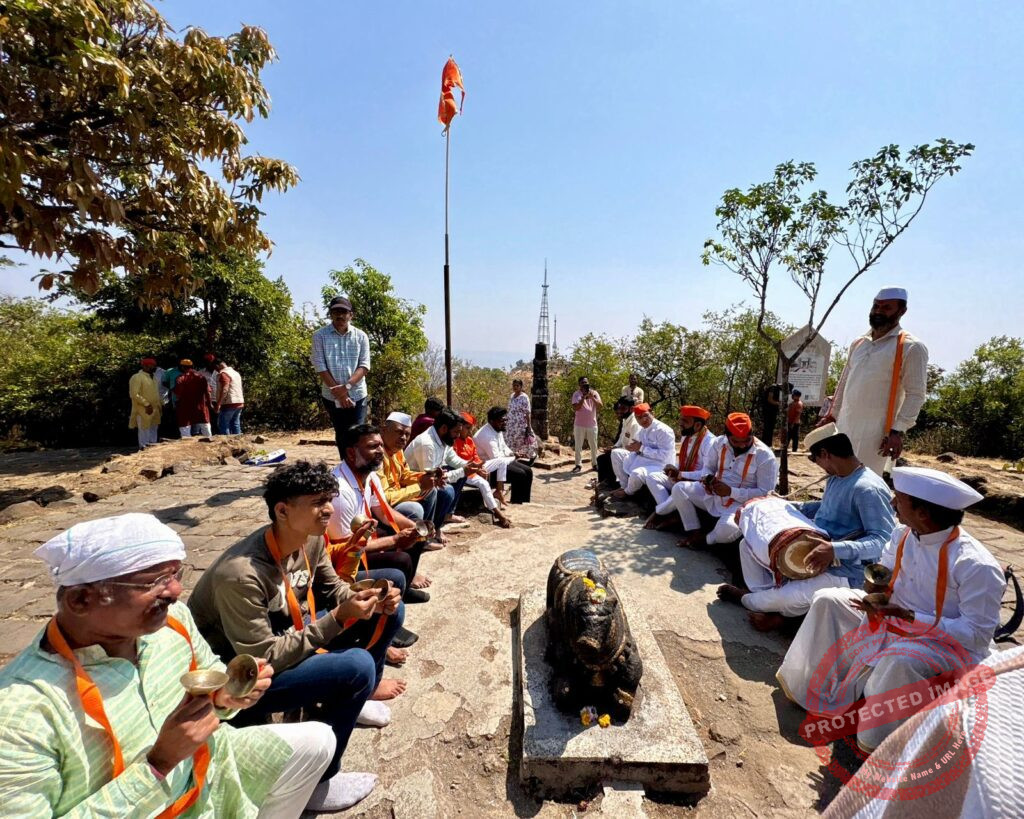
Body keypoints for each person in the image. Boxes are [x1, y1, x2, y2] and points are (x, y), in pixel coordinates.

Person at [0, 512, 343, 816]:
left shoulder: (174, 622)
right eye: (154, 582)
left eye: (175, 574)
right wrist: (158, 764)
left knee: (319, 740)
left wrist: (226, 698)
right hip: (153, 803)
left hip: (208, 772)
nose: (177, 590)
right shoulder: (19, 714)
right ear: (80, 599)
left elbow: (214, 695)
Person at [188, 463, 396, 811]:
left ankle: (349, 702)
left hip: (291, 638)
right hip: (240, 683)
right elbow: (260, 659)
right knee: (357, 666)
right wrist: (337, 619)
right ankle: (318, 780)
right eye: (317, 502)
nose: (329, 509)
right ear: (282, 511)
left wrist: (373, 599)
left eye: (329, 499)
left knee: (392, 608)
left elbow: (333, 590)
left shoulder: (311, 539)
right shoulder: (240, 575)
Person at [777, 466, 1006, 753]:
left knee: (901, 660)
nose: (892, 504)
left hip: (943, 644)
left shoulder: (976, 565)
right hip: (893, 617)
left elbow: (975, 636)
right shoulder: (903, 533)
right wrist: (876, 594)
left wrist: (907, 616)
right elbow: (884, 576)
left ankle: (877, 744)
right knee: (828, 600)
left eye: (899, 499)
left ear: (923, 513)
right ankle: (813, 692)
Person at [717, 424, 895, 629]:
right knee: (746, 545)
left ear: (825, 454)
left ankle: (751, 600)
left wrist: (835, 549)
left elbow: (883, 541)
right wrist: (783, 506)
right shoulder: (838, 477)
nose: (817, 464)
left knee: (785, 598)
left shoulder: (868, 489)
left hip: (844, 571)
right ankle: (768, 602)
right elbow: (825, 508)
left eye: (814, 459)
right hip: (813, 555)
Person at [823, 644, 1024, 818]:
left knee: (899, 662)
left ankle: (875, 751)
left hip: (955, 647)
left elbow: (975, 634)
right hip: (911, 633)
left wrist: (912, 618)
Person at [820, 287, 928, 475]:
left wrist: (897, 431)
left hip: (876, 435)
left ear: (901, 311)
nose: (878, 311)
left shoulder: (911, 347)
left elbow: (916, 394)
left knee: (863, 484)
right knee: (834, 479)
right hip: (844, 427)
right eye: (876, 306)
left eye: (886, 307)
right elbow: (844, 382)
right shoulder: (858, 343)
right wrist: (831, 414)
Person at [329, 424, 434, 606]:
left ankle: (404, 588)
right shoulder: (340, 492)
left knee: (416, 532)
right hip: (344, 557)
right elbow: (346, 549)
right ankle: (390, 609)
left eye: (380, 445)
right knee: (402, 560)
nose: (380, 451)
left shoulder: (370, 476)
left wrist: (416, 528)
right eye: (372, 447)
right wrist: (394, 541)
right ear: (351, 453)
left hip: (363, 537)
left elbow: (385, 513)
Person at [673, 412, 779, 548]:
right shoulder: (718, 443)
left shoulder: (765, 456)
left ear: (752, 434)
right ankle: (694, 531)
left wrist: (731, 491)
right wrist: (708, 479)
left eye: (746, 440)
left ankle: (705, 539)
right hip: (714, 495)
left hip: (741, 505)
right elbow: (708, 468)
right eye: (736, 441)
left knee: (728, 529)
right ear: (727, 436)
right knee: (679, 488)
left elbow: (766, 494)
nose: (742, 446)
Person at [379, 411, 452, 550]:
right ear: (383, 430)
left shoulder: (397, 450)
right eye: (399, 432)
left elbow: (405, 474)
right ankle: (410, 545)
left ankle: (424, 538)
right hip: (382, 507)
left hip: (396, 495)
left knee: (433, 489)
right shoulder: (378, 455)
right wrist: (419, 486)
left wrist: (426, 477)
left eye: (407, 434)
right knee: (414, 508)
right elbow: (384, 499)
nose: (404, 438)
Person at [311, 295, 372, 458]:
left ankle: (360, 466)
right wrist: (339, 393)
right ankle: (346, 465)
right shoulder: (319, 336)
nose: (340, 315)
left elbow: (364, 365)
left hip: (357, 393)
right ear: (330, 314)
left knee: (358, 432)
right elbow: (320, 366)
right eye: (336, 311)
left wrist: (346, 388)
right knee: (342, 432)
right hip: (331, 395)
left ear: (350, 315)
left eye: (343, 312)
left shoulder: (361, 336)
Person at [644, 405, 714, 529]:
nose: (680, 423)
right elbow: (683, 461)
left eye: (685, 421)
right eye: (681, 419)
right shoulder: (686, 436)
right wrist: (673, 469)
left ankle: (659, 513)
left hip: (697, 484)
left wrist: (682, 475)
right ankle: (671, 513)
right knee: (652, 477)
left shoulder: (710, 442)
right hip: (682, 478)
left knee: (679, 488)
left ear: (697, 425)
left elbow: (706, 474)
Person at [405, 407, 477, 528]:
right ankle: (430, 529)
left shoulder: (443, 437)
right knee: (447, 491)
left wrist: (468, 465)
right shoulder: (427, 444)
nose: (458, 436)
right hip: (414, 484)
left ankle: (441, 521)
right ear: (444, 428)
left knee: (461, 476)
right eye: (456, 432)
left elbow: (452, 459)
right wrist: (462, 471)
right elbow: (430, 479)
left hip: (431, 478)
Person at [453, 412, 512, 528]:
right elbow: (457, 464)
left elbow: (476, 458)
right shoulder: (454, 442)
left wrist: (480, 467)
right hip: (464, 473)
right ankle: (498, 514)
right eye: (467, 428)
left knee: (502, 461)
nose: (469, 431)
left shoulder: (469, 440)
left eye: (470, 428)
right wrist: (477, 470)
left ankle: (499, 491)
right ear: (459, 427)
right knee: (483, 483)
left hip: (475, 468)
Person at [610, 403, 676, 499]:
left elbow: (665, 456)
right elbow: (639, 447)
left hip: (659, 464)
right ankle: (623, 486)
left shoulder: (663, 431)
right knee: (616, 453)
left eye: (645, 415)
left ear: (652, 413)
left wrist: (641, 448)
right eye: (639, 418)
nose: (643, 420)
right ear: (636, 419)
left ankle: (628, 492)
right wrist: (635, 449)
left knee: (637, 473)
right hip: (643, 459)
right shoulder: (642, 430)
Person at [475, 406, 534, 504]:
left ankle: (523, 501)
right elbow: (497, 459)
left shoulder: (496, 429)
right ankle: (516, 502)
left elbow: (504, 447)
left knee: (528, 471)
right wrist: (514, 457)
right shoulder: (486, 436)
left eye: (505, 420)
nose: (505, 423)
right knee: (520, 474)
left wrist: (513, 453)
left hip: (500, 464)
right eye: (502, 421)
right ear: (492, 421)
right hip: (489, 471)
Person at [596, 397, 639, 487]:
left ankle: (616, 485)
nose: (620, 411)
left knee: (610, 457)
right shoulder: (625, 420)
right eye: (619, 408)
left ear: (631, 409)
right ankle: (606, 482)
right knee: (601, 459)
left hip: (633, 454)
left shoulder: (635, 423)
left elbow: (632, 447)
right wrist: (614, 447)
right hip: (623, 450)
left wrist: (615, 450)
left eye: (623, 408)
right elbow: (621, 438)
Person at [128, 356, 162, 449]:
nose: (154, 368)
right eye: (152, 366)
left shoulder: (153, 378)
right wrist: (146, 404)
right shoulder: (137, 377)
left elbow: (156, 393)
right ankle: (143, 449)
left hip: (155, 408)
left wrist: (160, 404)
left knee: (154, 428)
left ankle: (153, 449)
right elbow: (134, 394)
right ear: (145, 366)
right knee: (144, 429)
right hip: (143, 409)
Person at [571, 376, 603, 473]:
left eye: (586, 383)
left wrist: (592, 397)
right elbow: (576, 408)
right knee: (578, 446)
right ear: (579, 384)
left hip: (592, 424)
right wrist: (583, 398)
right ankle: (578, 464)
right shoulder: (576, 394)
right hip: (579, 424)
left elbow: (600, 406)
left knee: (593, 445)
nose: (584, 384)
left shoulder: (594, 393)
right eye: (582, 383)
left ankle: (594, 464)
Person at [173, 359, 212, 438]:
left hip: (185, 406)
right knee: (204, 423)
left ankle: (186, 445)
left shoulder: (180, 378)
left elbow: (178, 394)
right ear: (192, 366)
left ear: (182, 367)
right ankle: (209, 440)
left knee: (185, 425)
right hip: (200, 406)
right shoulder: (201, 377)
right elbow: (208, 392)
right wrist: (210, 403)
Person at [215, 358, 245, 436]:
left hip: (229, 403)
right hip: (239, 402)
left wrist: (219, 404)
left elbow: (225, 389)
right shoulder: (235, 373)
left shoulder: (224, 373)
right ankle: (239, 444)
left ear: (218, 366)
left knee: (223, 425)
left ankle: (226, 445)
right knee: (235, 424)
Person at [505, 379, 533, 458]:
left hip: (520, 425)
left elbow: (528, 412)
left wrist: (529, 426)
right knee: (510, 441)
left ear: (521, 387)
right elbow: (509, 409)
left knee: (520, 442)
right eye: (514, 385)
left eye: (517, 386)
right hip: (510, 425)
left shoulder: (524, 397)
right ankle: (512, 459)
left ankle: (521, 459)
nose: (515, 387)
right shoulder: (512, 396)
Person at [200, 353, 220, 432]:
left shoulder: (220, 372)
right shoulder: (201, 373)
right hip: (206, 400)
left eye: (211, 362)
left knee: (218, 420)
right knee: (208, 420)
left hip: (219, 399)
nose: (210, 364)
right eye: (207, 362)